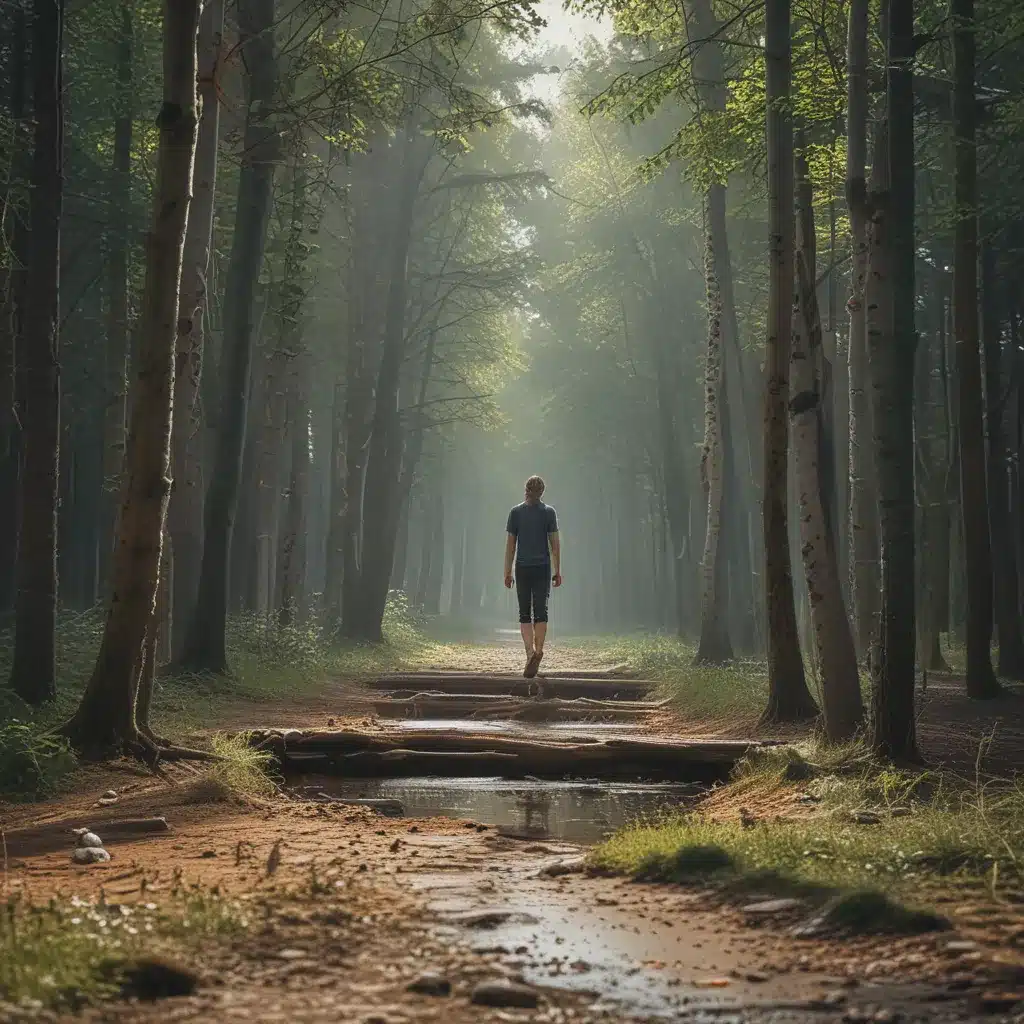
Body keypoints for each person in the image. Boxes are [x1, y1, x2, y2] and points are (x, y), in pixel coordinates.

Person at [504, 475, 562, 678]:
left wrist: (507, 572)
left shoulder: (515, 513)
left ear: (525, 490)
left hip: (522, 567)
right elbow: (555, 544)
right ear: (542, 492)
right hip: (542, 568)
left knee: (524, 613)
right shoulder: (549, 513)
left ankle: (529, 653)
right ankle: (539, 650)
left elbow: (511, 546)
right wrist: (557, 570)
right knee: (541, 611)